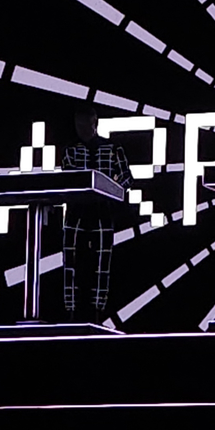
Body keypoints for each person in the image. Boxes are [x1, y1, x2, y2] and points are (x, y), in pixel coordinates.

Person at [58, 104, 132, 320]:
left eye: (84, 125)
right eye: (78, 125)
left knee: (102, 264)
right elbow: (67, 177)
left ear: (94, 124)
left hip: (102, 211)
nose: (81, 129)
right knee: (71, 263)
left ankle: (99, 311)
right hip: (76, 212)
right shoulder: (71, 149)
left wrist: (112, 191)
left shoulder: (112, 149)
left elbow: (127, 177)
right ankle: (71, 312)